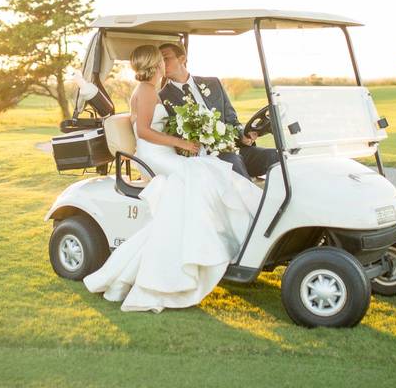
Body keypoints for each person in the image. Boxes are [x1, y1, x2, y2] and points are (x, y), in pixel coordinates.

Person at [83, 44, 262, 312]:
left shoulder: (151, 90)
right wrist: (182, 142)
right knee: (204, 173)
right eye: (161, 61)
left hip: (165, 151)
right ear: (155, 64)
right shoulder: (145, 91)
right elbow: (143, 131)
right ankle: (221, 244)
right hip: (154, 155)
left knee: (207, 170)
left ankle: (240, 233)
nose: (164, 65)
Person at [158, 41, 279, 181]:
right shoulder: (162, 97)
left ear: (182, 59)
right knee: (232, 160)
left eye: (165, 58)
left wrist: (243, 136)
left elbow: (231, 119)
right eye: (159, 61)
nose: (161, 64)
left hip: (232, 148)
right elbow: (171, 134)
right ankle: (251, 202)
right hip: (200, 157)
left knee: (275, 155)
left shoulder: (213, 83)